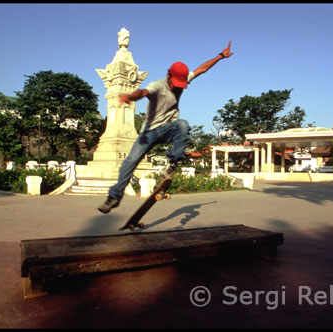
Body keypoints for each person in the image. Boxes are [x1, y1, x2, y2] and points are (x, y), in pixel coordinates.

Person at [98, 41, 234, 214]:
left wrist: (221, 56)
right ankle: (114, 197)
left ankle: (172, 163)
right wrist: (130, 96)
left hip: (169, 128)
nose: (178, 88)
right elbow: (143, 92)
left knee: (183, 125)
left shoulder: (183, 79)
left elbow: (201, 69)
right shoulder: (158, 85)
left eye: (181, 85)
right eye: (176, 83)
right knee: (130, 162)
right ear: (169, 76)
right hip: (149, 133)